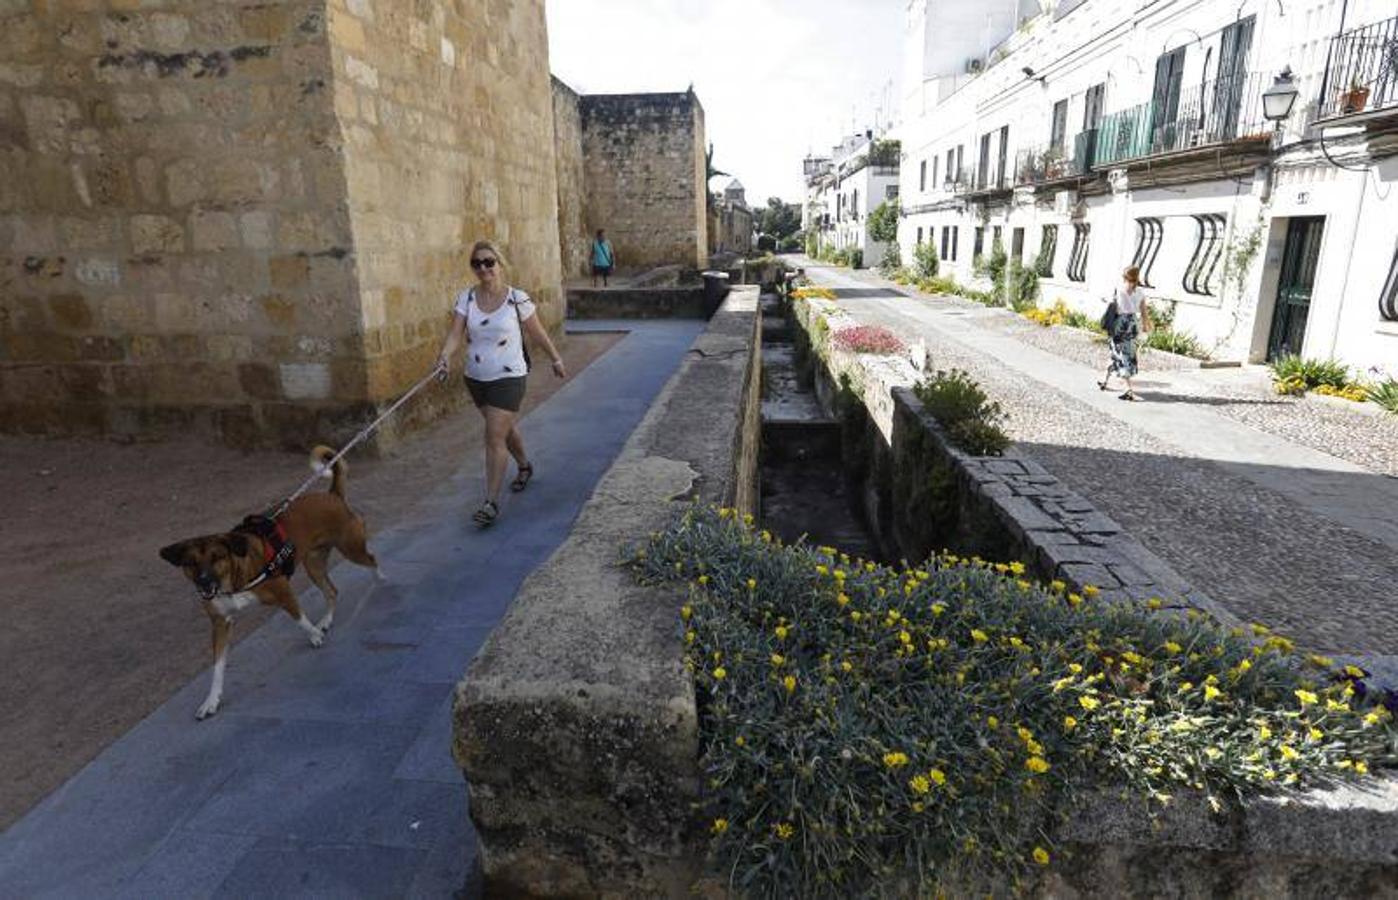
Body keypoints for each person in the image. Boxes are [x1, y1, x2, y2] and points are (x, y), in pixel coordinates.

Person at [435, 240, 567, 527]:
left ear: (500, 264)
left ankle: (491, 502)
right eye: (477, 263)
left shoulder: (517, 299)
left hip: (509, 377)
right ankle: (524, 466)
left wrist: (555, 358)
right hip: (476, 378)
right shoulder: (466, 299)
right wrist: (444, 356)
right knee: (504, 430)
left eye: (489, 262)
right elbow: (455, 334)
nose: (483, 268)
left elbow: (538, 333)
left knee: (493, 436)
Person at [1098, 265, 1151, 401]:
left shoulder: (1119, 290)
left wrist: (1106, 300)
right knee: (1120, 353)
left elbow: (1113, 305)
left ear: (1124, 277)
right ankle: (1104, 380)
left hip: (1120, 324)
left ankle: (1128, 389)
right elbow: (1144, 312)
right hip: (1132, 323)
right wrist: (1145, 326)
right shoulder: (1140, 292)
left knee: (1122, 355)